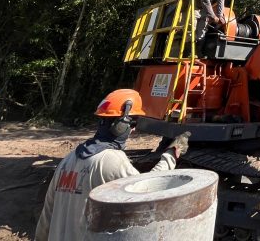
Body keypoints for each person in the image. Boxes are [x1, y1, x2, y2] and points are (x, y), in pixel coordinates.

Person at [35, 89, 190, 241]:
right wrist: (171, 155)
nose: (134, 129)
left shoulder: (67, 161)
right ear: (121, 125)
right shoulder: (110, 160)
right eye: (133, 122)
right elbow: (150, 190)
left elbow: (46, 217)